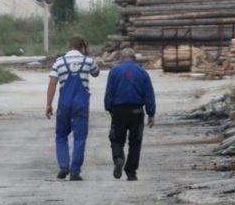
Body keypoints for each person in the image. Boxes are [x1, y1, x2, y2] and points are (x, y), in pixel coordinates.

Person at [46, 36, 100, 181]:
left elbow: (52, 83)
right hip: (81, 104)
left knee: (61, 135)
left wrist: (49, 104)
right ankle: (75, 171)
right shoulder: (88, 61)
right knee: (80, 137)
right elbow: (96, 73)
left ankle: (64, 166)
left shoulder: (59, 62)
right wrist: (87, 54)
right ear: (83, 47)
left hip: (64, 104)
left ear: (69, 46)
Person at [103, 48, 156, 181]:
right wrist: (151, 113)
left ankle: (119, 158)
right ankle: (131, 172)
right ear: (134, 58)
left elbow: (109, 92)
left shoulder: (114, 71)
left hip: (119, 111)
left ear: (121, 58)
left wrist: (109, 108)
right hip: (137, 111)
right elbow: (149, 94)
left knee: (116, 139)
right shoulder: (142, 72)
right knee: (135, 142)